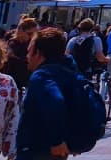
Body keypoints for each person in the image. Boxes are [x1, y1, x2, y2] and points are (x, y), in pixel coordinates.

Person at [16, 28, 79, 160]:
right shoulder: (68, 71)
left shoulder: (42, 76)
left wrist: (57, 140)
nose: (27, 56)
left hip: (38, 148)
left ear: (38, 53)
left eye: (29, 51)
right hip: (57, 149)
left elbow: (56, 102)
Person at [2, 17, 37, 93]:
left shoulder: (32, 44)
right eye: (30, 33)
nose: (32, 36)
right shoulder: (12, 43)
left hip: (24, 82)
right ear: (22, 31)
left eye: (34, 34)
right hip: (10, 80)